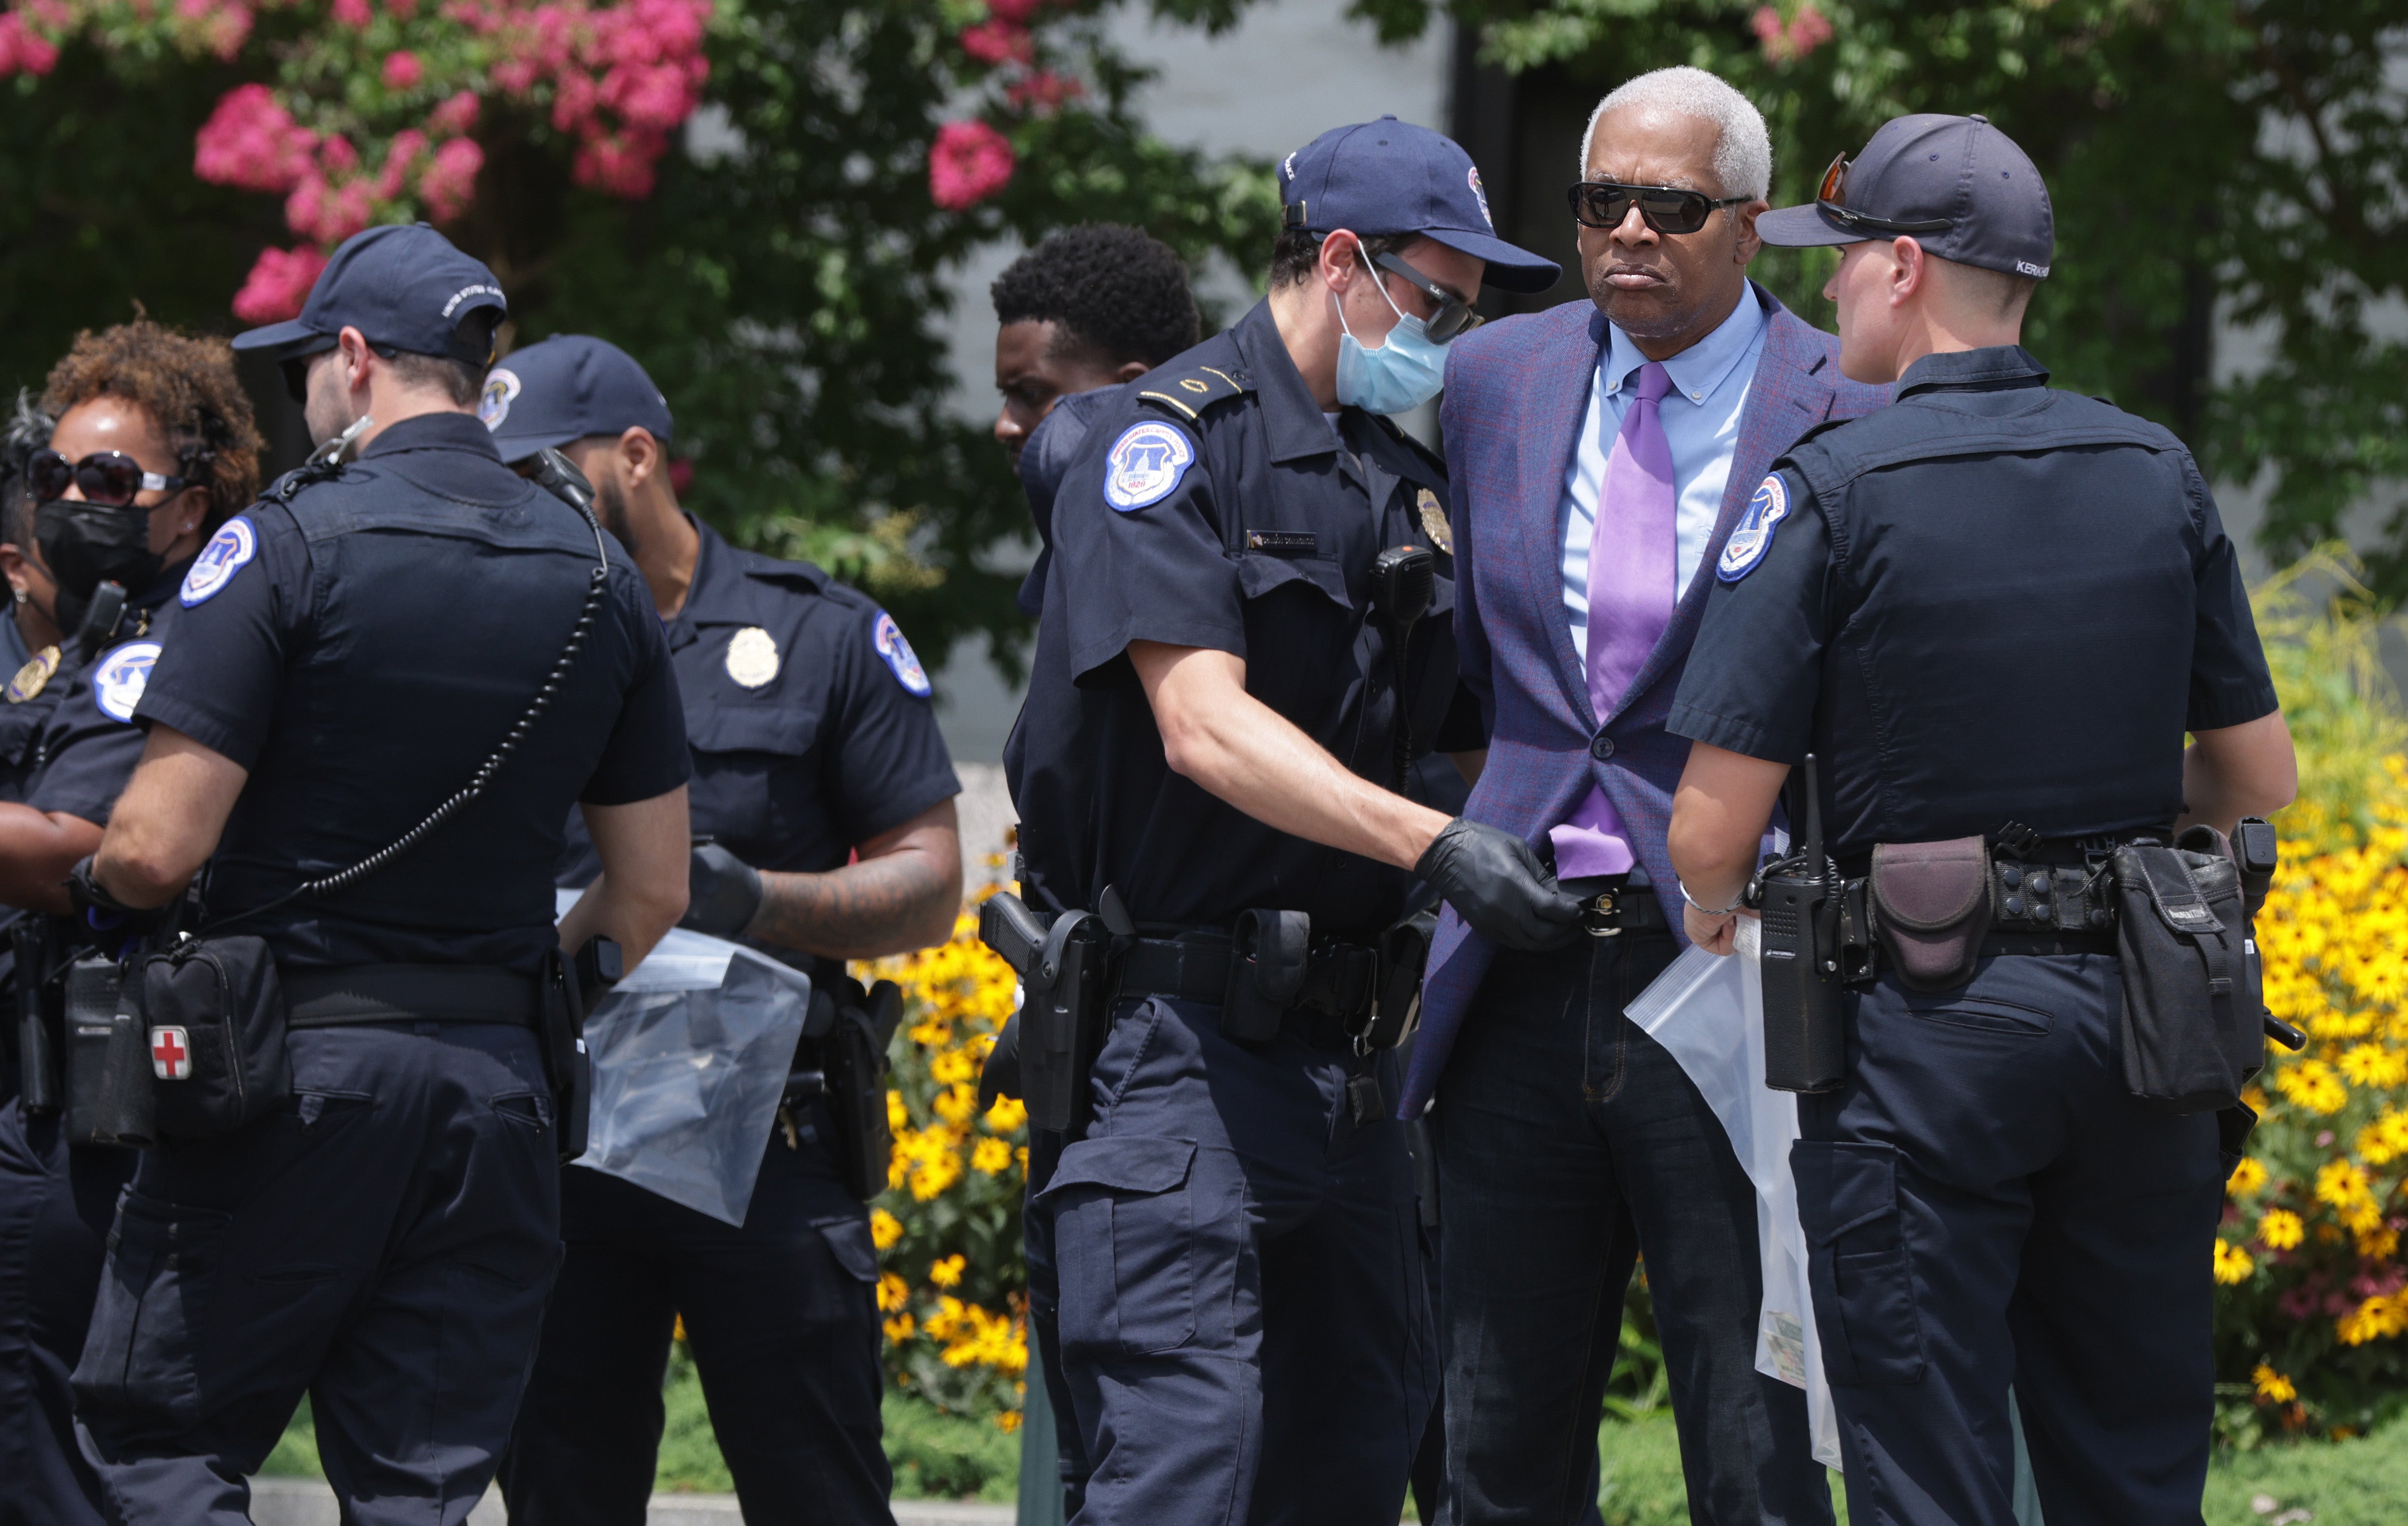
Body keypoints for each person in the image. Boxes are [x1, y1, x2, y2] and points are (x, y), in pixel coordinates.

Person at [1664, 113, 2297, 1523]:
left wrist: (1721, 901)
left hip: (1922, 1031)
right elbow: (2256, 779)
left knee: (1928, 1469)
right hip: (2143, 1022)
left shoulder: (1828, 490)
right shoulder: (2152, 470)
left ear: (1902, 267)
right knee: (2131, 1465)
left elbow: (1708, 839)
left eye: (1841, 264)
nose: (1824, 292)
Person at [66, 223, 694, 1526]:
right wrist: (510, 997)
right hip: (497, 1098)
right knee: (418, 1488)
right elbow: (651, 894)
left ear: (353, 359)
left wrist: (101, 898)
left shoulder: (284, 546)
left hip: (283, 1081)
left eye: (308, 364)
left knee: (159, 1451)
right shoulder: (598, 573)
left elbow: (153, 847)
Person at [1005, 116, 1565, 1526]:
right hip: (1178, 1053)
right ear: (1339, 261)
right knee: (1177, 1475)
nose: (1445, 336)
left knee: (1343, 1470)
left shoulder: (1400, 486)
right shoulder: (1158, 450)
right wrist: (1432, 847)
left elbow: (1469, 748)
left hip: (1351, 1075)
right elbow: (1199, 720)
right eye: (1431, 302)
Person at [1395, 66, 1884, 1526]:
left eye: (1667, 208)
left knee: (1754, 1445)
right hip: (1518, 957)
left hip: (1731, 970)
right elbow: (1478, 673)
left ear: (1747, 221)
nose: (1625, 234)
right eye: (1597, 202)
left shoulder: (1843, 398)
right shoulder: (1493, 382)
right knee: (1490, 1439)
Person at [487, 333, 963, 1526]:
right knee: (560, 1488)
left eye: (541, 470)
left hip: (768, 1140)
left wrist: (760, 897)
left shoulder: (816, 634)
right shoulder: (495, 646)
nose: (515, 502)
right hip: (562, 1131)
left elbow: (930, 881)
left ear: (636, 458)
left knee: (816, 1487)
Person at [0, 321, 259, 1526]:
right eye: (56, 474)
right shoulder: (74, 648)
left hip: (93, 1110)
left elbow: (74, 855)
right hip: (38, 1076)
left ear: (192, 507)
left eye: (110, 481)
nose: (71, 499)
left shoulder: (172, 653)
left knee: (49, 1438)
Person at [990, 225, 1202, 619]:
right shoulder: (1083, 555)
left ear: (1129, 387)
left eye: (1031, 394)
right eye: (1007, 397)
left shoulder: (1175, 568)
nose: (1005, 426)